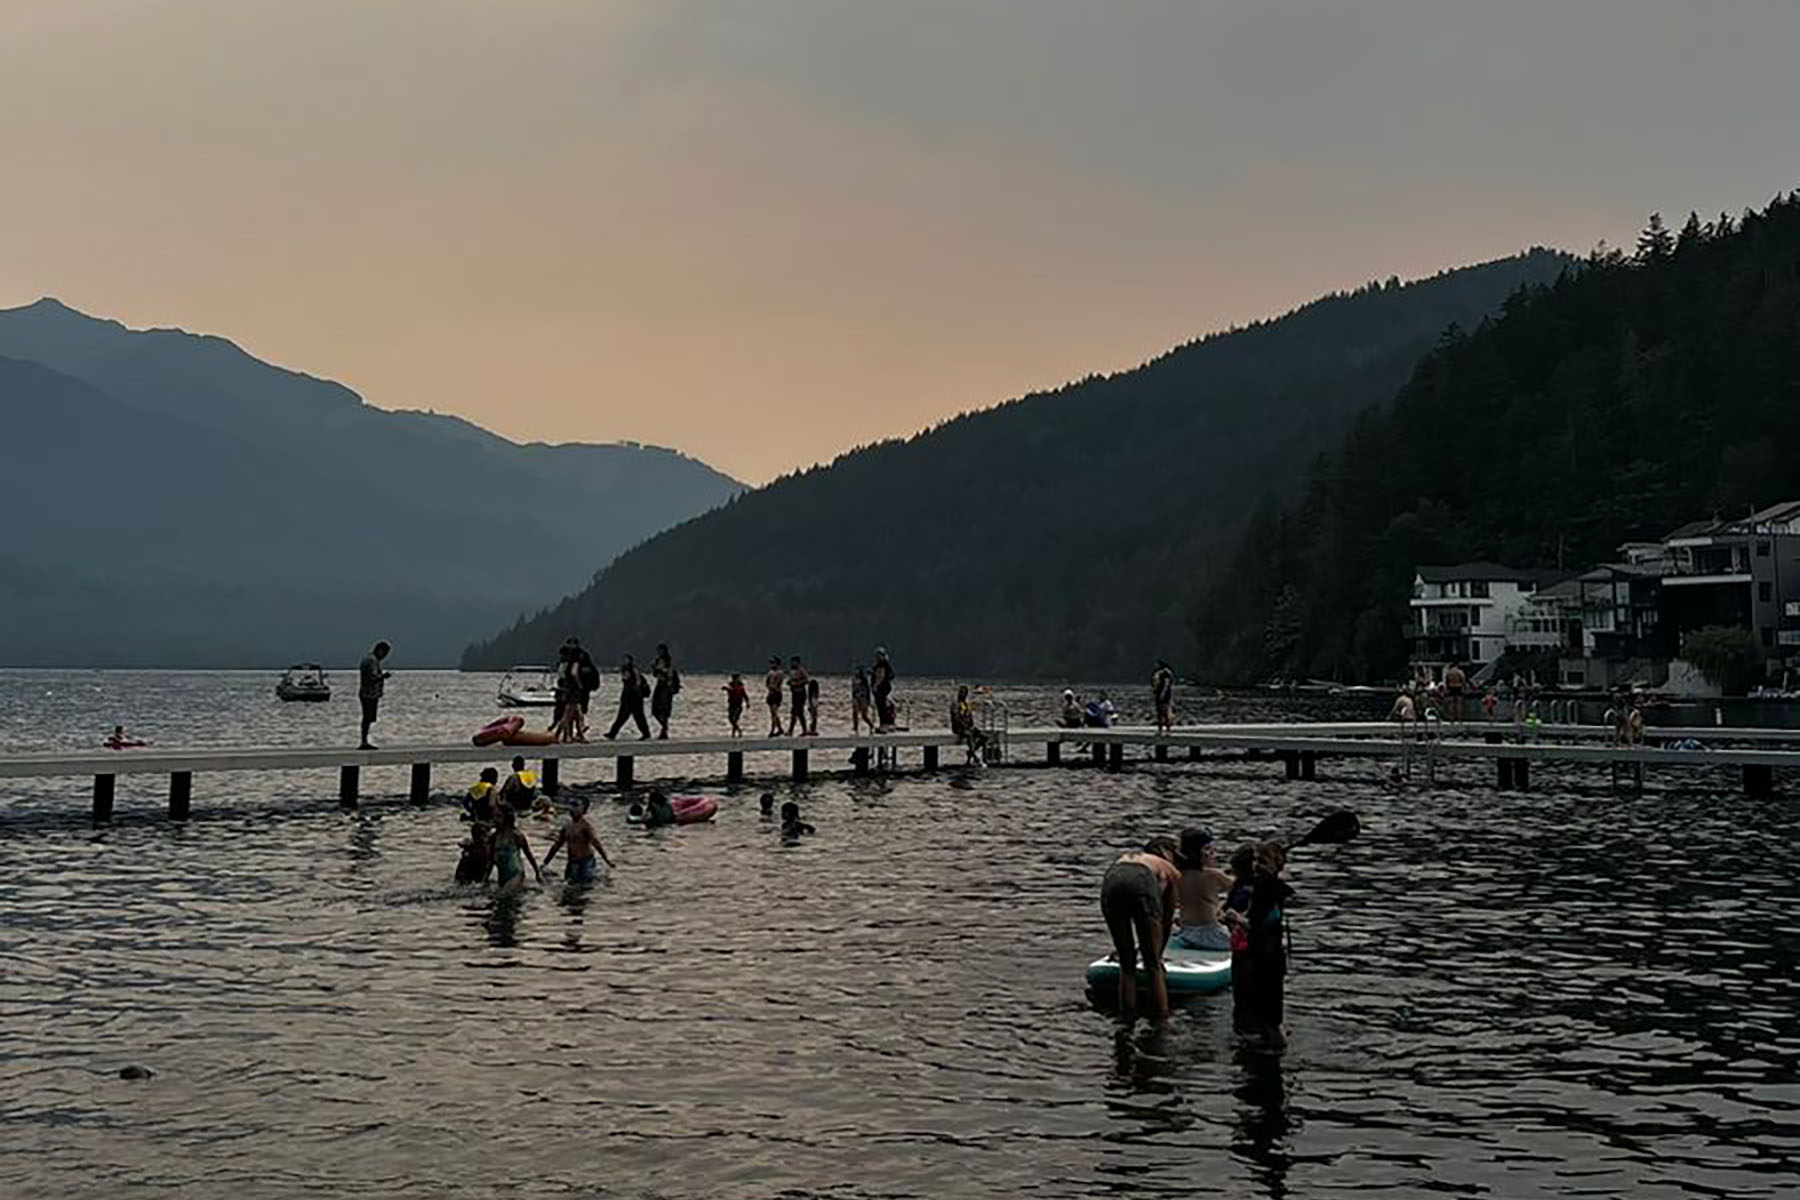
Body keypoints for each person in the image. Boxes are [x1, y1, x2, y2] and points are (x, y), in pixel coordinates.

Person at [1099, 836, 1182, 1021]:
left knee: (1127, 965)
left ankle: (1126, 1020)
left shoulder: (1129, 857)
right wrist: (1157, 954)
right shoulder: (1168, 869)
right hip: (1142, 880)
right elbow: (1166, 920)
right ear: (1166, 852)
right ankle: (1161, 1021)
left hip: (1112, 877)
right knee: (1152, 966)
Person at [1226, 842, 1295, 1050]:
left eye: (1262, 862)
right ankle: (1259, 1046)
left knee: (1268, 1013)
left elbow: (1253, 924)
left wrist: (1234, 917)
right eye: (1255, 860)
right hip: (1255, 955)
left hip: (1265, 958)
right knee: (1252, 1009)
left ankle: (1271, 1047)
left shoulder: (1268, 890)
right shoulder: (1261, 886)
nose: (1256, 866)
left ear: (1277, 866)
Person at [1171, 827, 1232, 950]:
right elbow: (1240, 888)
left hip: (1186, 934)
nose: (1212, 854)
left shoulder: (1177, 875)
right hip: (1212, 936)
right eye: (1208, 849)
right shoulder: (1213, 875)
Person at [542, 796, 614, 883]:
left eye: (576, 806)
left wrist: (606, 859)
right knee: (569, 883)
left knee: (585, 885)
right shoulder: (567, 826)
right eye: (571, 805)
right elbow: (557, 845)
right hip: (572, 862)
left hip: (585, 862)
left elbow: (595, 843)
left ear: (584, 811)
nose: (573, 809)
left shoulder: (585, 826)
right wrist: (545, 862)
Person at [489, 807, 543, 894]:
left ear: (507, 818)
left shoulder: (516, 835)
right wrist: (485, 878)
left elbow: (528, 854)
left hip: (516, 874)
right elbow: (490, 860)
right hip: (502, 876)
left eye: (499, 816)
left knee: (502, 896)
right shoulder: (493, 837)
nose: (495, 820)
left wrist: (537, 872)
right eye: (493, 816)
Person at [607, 655, 652, 740]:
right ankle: (613, 733)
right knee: (624, 716)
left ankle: (646, 733)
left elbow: (636, 682)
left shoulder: (632, 670)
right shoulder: (628, 670)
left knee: (637, 716)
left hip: (633, 696)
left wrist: (636, 690)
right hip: (630, 696)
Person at [358, 640, 391, 749]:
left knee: (368, 718)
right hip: (369, 694)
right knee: (367, 718)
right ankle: (364, 741)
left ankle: (364, 740)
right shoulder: (372, 661)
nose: (384, 656)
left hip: (368, 693)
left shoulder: (370, 659)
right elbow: (371, 677)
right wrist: (383, 676)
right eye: (384, 653)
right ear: (380, 650)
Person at [949, 684, 987, 763]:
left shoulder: (966, 704)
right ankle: (974, 756)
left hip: (968, 727)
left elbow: (970, 717)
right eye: (961, 692)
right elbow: (956, 718)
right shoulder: (955, 704)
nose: (962, 694)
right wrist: (966, 727)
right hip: (958, 728)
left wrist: (972, 726)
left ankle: (971, 752)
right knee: (969, 735)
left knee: (984, 736)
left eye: (964, 693)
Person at [650, 643, 680, 740]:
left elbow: (670, 673)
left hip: (666, 686)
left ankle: (664, 730)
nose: (659, 652)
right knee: (655, 710)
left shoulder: (669, 661)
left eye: (661, 650)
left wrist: (662, 672)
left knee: (664, 709)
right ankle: (664, 727)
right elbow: (655, 674)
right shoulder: (657, 660)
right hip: (660, 685)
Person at [455, 820, 493, 885]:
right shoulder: (474, 850)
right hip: (470, 880)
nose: (490, 834)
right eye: (487, 832)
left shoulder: (474, 848)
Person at [871, 647, 896, 731]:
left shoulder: (881, 664)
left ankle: (884, 725)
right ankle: (888, 724)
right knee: (884, 705)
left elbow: (881, 675)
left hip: (882, 688)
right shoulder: (884, 664)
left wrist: (875, 685)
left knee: (881, 706)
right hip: (885, 687)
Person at [787, 656, 811, 737]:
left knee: (799, 712)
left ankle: (803, 730)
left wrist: (797, 683)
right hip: (794, 693)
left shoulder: (801, 670)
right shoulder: (791, 671)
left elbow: (807, 680)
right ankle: (791, 730)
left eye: (794, 662)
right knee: (794, 712)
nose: (793, 664)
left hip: (800, 693)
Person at [1152, 660, 1176, 733]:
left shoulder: (1166, 673)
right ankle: (1160, 729)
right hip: (1159, 693)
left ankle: (1168, 729)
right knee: (1159, 712)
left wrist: (1163, 693)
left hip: (1164, 694)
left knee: (1164, 711)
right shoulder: (1159, 672)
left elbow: (1166, 684)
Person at [765, 656, 786, 737]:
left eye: (773, 663)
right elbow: (767, 682)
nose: (772, 664)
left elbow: (778, 683)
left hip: (776, 693)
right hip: (771, 693)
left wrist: (774, 688)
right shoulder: (770, 672)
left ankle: (773, 730)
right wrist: (769, 688)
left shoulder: (780, 673)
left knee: (775, 712)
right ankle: (779, 728)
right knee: (772, 713)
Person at [851, 666, 875, 733]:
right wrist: (853, 698)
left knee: (864, 715)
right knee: (855, 713)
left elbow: (867, 691)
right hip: (856, 698)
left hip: (863, 699)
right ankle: (855, 728)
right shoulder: (854, 680)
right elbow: (853, 690)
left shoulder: (864, 680)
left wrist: (868, 700)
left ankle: (871, 726)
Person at [724, 673, 749, 737]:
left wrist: (747, 703)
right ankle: (734, 733)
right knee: (731, 719)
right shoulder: (731, 686)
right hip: (731, 704)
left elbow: (744, 695)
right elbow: (731, 691)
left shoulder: (740, 687)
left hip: (738, 705)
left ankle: (738, 731)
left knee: (734, 719)